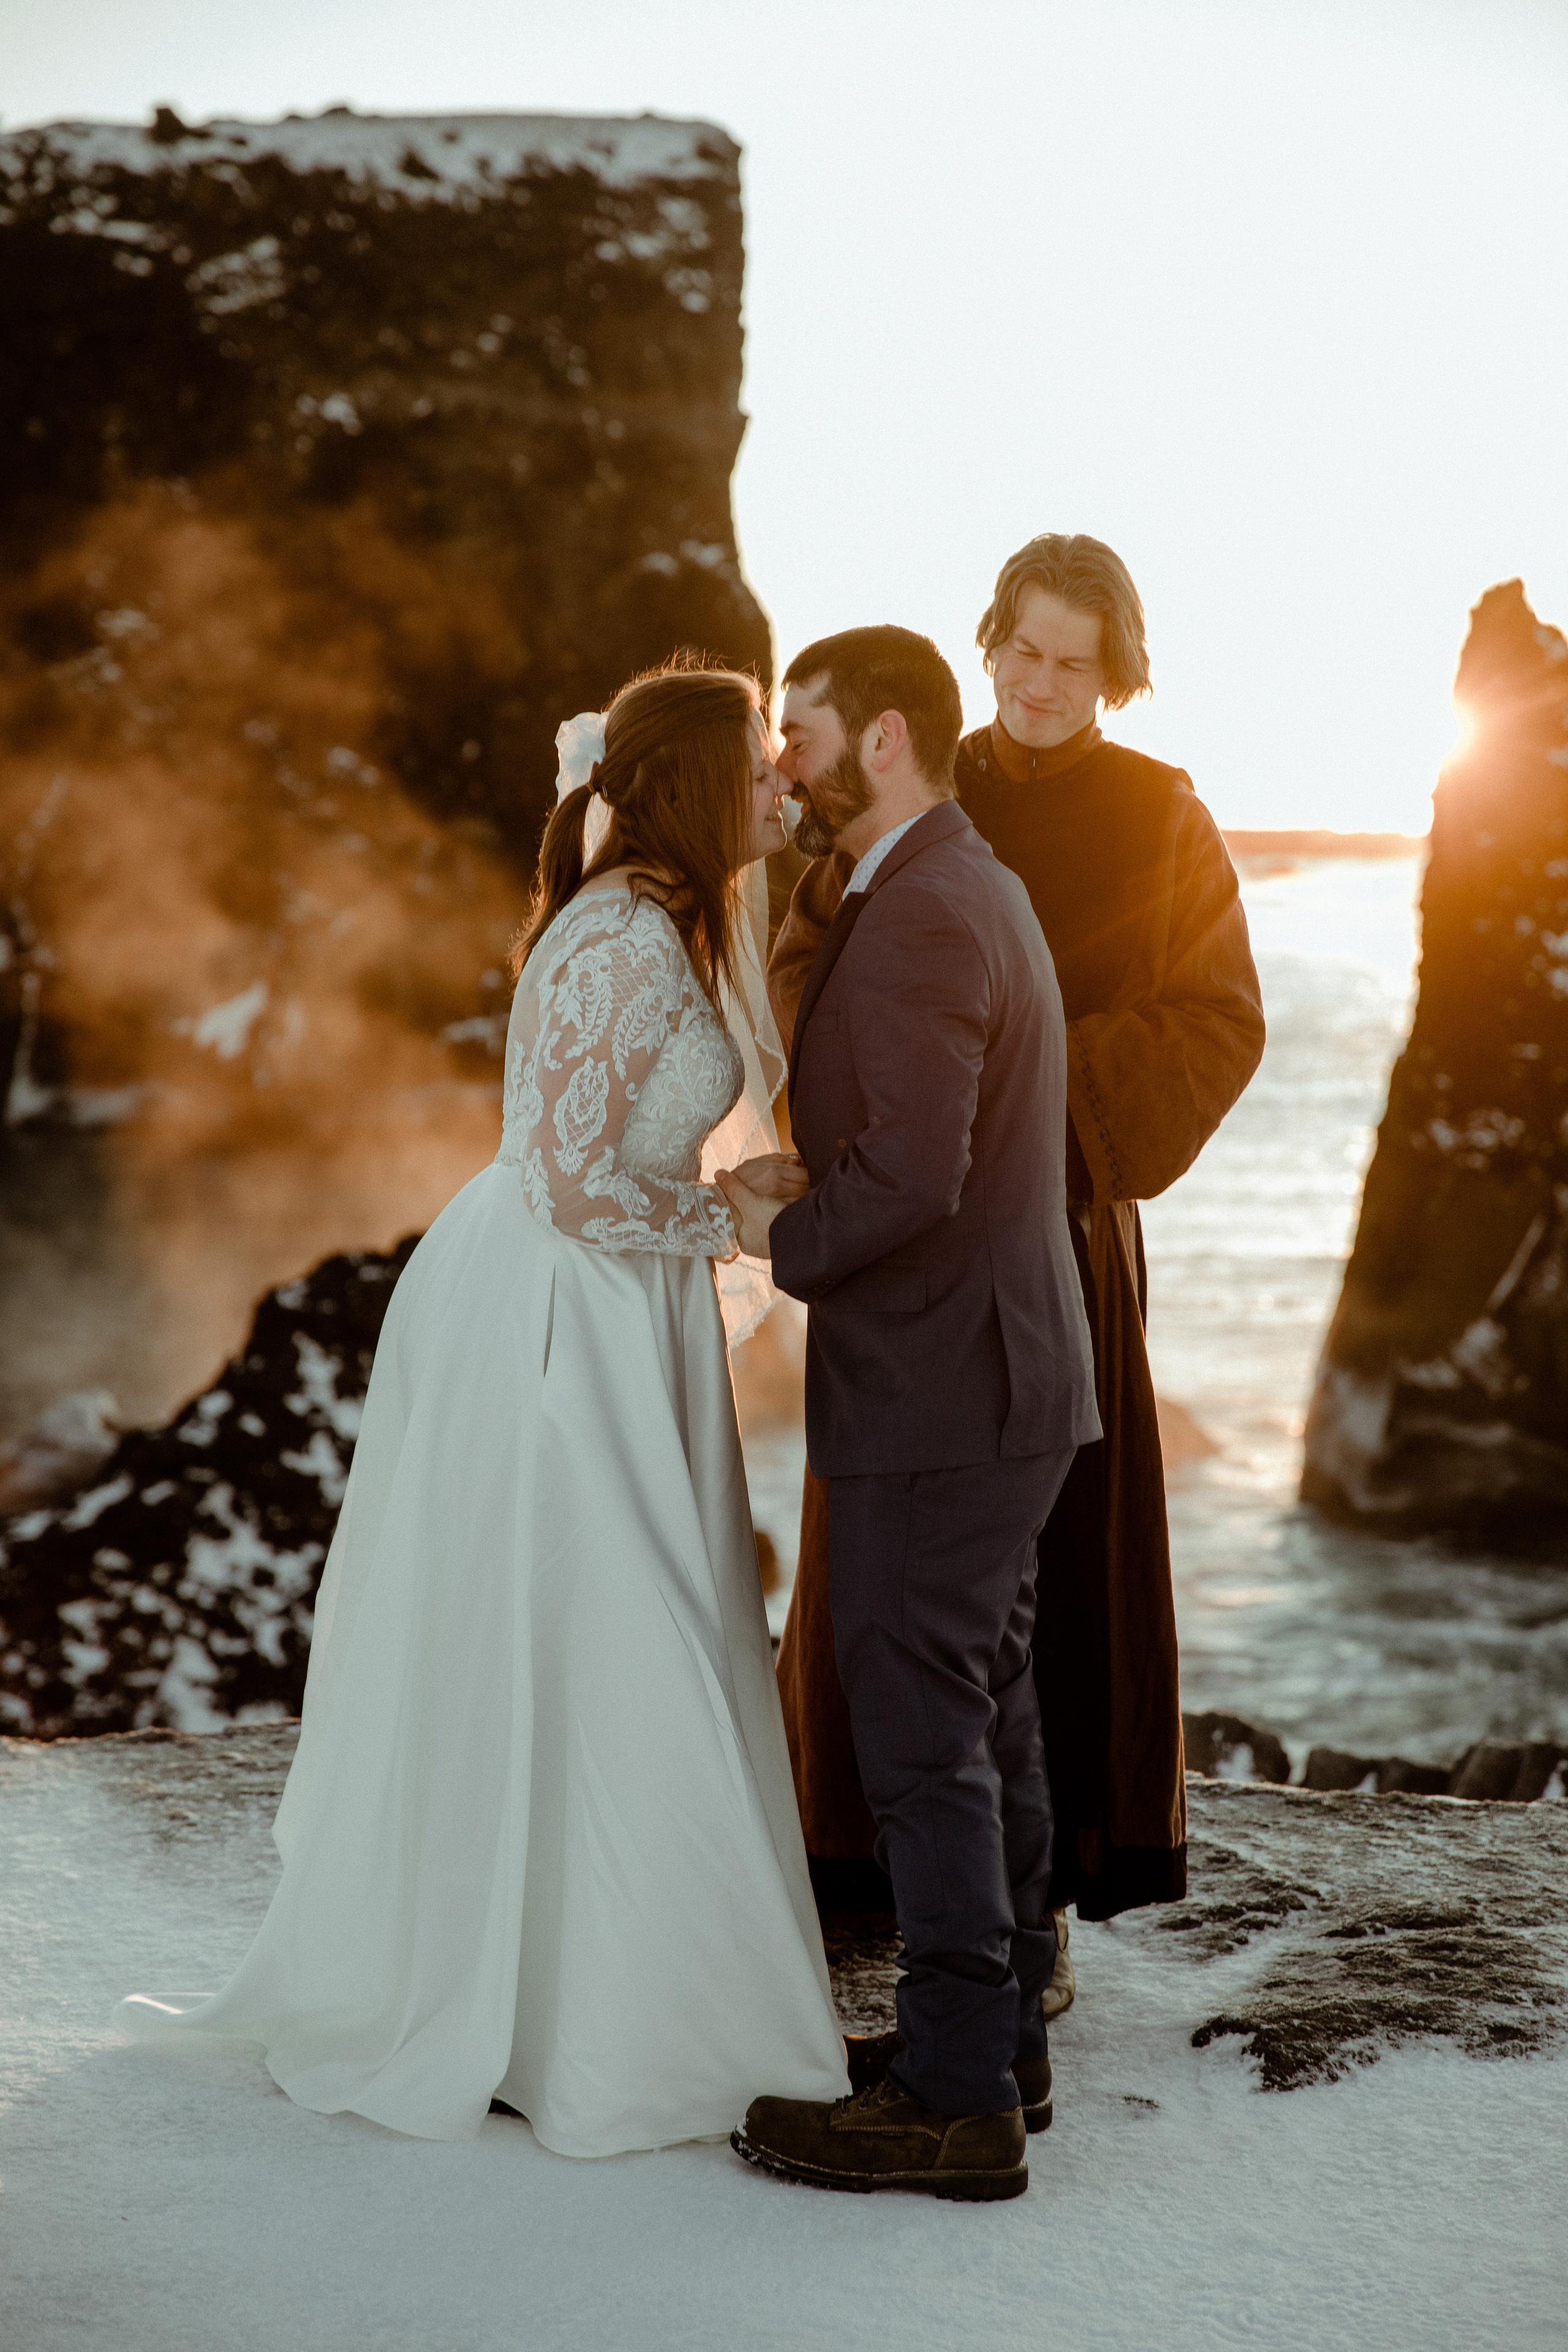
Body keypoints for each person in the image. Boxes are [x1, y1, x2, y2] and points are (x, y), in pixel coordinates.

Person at [117, 662, 851, 2154]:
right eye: (766, 765)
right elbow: (572, 1183)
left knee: (615, 1625)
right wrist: (730, 1223)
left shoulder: (675, 915)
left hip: (610, 1302)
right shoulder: (621, 938)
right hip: (549, 1312)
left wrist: (735, 1188)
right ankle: (559, 2016)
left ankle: (588, 1997)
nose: (785, 784)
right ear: (705, 783)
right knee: (585, 1622)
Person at [767, 536, 1265, 1928]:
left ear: (1117, 672)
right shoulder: (916, 771)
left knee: (1040, 1579)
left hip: (1057, 1237)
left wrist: (1021, 1109)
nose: (1042, 684)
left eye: (1075, 661)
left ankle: (1029, 1910)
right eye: (1023, 652)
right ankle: (860, 1868)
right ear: (986, 644)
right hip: (893, 1223)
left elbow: (1218, 1021)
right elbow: (804, 934)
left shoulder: (1161, 814)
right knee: (882, 1581)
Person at [718, 626, 1099, 2201]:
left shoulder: (930, 907)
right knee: (985, 1715)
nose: (784, 762)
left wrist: (777, 1233)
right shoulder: (960, 879)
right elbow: (924, 1142)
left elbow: (923, 1171)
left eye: (798, 732)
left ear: (881, 737)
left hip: (949, 1392)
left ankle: (954, 2104)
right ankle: (993, 2042)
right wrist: (827, 1181)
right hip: (1001, 1384)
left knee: (920, 1732)